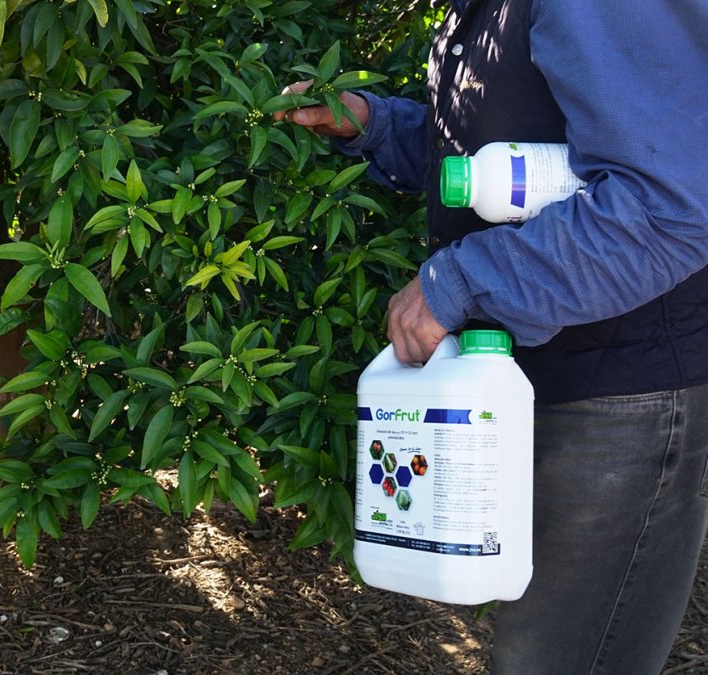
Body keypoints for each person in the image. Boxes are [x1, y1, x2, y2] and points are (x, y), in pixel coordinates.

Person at [275, 1, 708, 673]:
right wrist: (375, 125)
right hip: (538, 375)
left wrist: (465, 282)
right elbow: (509, 166)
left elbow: (665, 206)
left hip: (619, 399)